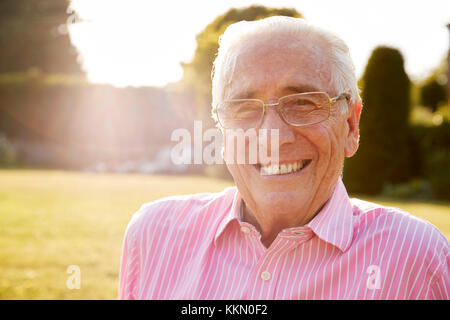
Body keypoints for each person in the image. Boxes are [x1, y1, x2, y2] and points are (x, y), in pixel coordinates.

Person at [118, 16, 449, 299]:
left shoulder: (415, 258)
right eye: (245, 108)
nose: (272, 137)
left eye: (303, 102)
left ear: (350, 125)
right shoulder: (153, 236)